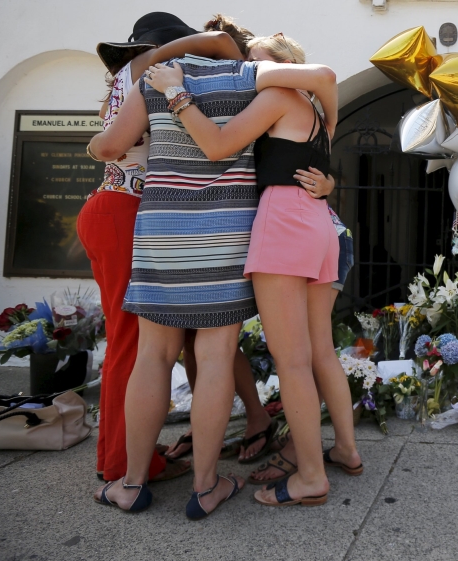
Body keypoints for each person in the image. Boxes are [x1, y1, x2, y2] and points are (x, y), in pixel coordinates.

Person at [88, 45, 337, 517]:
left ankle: (132, 483)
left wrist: (98, 141)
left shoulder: (154, 79)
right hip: (226, 231)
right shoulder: (249, 78)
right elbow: (318, 84)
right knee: (216, 357)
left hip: (163, 227)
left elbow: (109, 146)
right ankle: (205, 487)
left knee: (152, 357)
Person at [144, 33, 360, 508]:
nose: (246, 75)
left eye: (256, 66)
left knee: (294, 361)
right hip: (319, 223)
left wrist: (176, 94)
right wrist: (328, 184)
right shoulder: (320, 112)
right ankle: (345, 449)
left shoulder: (279, 95)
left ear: (284, 67)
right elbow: (309, 161)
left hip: (283, 223)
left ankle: (309, 477)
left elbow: (218, 145)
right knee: (316, 352)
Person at [78, 11, 245, 485]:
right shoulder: (151, 74)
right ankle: (122, 464)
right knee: (132, 346)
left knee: (131, 344)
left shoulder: (124, 83)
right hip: (126, 211)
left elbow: (104, 147)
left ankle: (121, 457)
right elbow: (112, 148)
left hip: (110, 208)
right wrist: (165, 54)